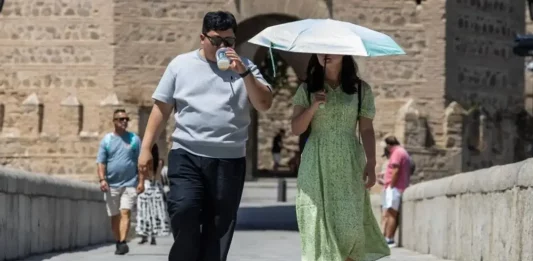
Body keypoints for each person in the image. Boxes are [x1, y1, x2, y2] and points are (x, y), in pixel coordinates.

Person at [137, 11, 272, 261]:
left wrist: (243, 72)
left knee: (219, 228)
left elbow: (264, 103)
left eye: (229, 41)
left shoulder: (246, 67)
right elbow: (161, 108)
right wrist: (146, 149)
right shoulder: (180, 65)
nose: (223, 47)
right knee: (184, 209)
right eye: (216, 41)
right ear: (202, 38)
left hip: (229, 161)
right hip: (187, 154)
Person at [291, 54, 390, 261]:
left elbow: (366, 128)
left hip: (349, 161)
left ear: (344, 52)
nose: (325, 53)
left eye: (331, 48)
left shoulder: (361, 90)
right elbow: (297, 128)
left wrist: (371, 163)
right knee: (317, 222)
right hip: (316, 162)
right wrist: (313, 106)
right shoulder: (306, 89)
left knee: (350, 228)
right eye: (321, 49)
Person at [96, 109, 144, 255]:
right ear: (114, 121)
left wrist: (141, 181)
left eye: (126, 119)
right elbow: (101, 162)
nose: (124, 121)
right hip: (111, 185)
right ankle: (118, 240)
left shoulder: (134, 140)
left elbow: (140, 163)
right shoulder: (107, 140)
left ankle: (123, 242)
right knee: (115, 215)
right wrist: (102, 179)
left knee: (125, 211)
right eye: (121, 119)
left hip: (130, 183)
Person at [136, 143, 171, 245]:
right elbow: (159, 176)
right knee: (154, 213)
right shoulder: (159, 163)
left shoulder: (144, 162)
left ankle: (144, 236)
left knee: (144, 213)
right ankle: (153, 237)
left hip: (146, 187)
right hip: (156, 187)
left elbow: (142, 174)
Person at [381, 136, 411, 247]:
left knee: (391, 214)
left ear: (389, 145)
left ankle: (389, 239)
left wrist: (391, 186)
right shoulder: (402, 151)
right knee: (391, 213)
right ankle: (389, 238)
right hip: (398, 186)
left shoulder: (397, 153)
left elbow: (396, 170)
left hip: (395, 187)